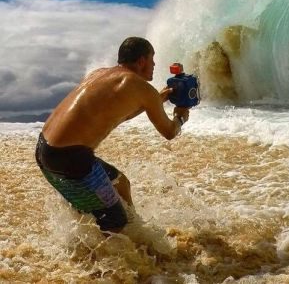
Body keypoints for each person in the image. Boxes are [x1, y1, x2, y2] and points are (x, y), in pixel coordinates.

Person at [35, 36, 189, 233]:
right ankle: (116, 254)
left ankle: (134, 234)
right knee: (116, 225)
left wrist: (157, 100)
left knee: (121, 183)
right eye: (152, 59)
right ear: (142, 60)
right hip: (71, 158)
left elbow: (116, 113)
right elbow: (169, 132)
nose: (154, 64)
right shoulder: (142, 88)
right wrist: (181, 116)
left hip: (44, 150)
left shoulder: (99, 73)